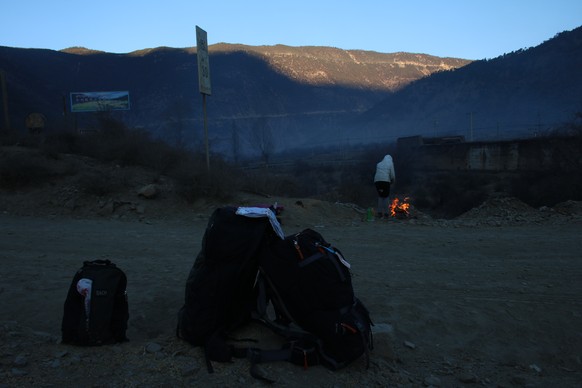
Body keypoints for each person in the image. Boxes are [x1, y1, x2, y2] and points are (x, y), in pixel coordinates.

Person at [374, 154, 396, 219]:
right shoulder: (390, 163)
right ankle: (386, 214)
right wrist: (393, 181)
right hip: (385, 182)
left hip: (377, 182)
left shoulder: (378, 164)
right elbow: (392, 174)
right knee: (386, 197)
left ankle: (379, 213)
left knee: (380, 196)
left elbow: (378, 173)